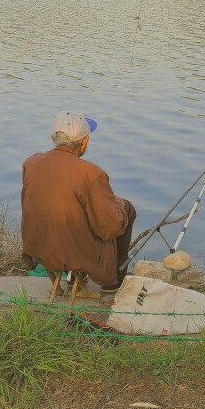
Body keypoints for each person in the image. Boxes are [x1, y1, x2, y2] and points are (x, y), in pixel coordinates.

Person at [21, 111, 136, 292]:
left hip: (39, 249)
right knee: (127, 208)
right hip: (74, 253)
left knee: (71, 215)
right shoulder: (92, 173)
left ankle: (75, 276)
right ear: (84, 142)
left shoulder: (31, 163)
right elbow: (108, 228)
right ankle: (112, 282)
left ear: (53, 138)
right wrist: (118, 206)